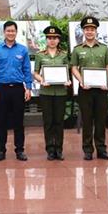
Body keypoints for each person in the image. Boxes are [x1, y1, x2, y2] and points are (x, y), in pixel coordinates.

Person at [0, 20, 32, 161]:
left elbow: (27, 70)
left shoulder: (23, 50)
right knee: (2, 121)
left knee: (19, 121)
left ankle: (20, 150)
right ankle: (1, 150)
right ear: (4, 32)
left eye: (13, 31)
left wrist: (29, 87)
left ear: (16, 32)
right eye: (8, 31)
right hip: (2, 89)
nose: (10, 33)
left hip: (18, 88)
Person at [71, 16, 108, 160]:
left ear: (96, 31)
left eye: (92, 29)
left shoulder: (104, 48)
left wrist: (106, 80)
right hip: (85, 89)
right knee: (87, 120)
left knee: (101, 120)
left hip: (101, 89)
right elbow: (74, 68)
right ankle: (88, 150)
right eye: (87, 29)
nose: (90, 32)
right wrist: (81, 80)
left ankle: (101, 149)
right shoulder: (77, 50)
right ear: (83, 31)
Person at [33, 25, 71, 161]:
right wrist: (41, 80)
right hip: (46, 92)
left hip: (60, 92)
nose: (52, 40)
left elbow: (68, 71)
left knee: (59, 122)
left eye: (54, 38)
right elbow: (35, 73)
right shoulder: (40, 55)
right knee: (48, 122)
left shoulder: (64, 55)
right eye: (49, 38)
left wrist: (67, 80)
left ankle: (59, 150)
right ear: (46, 39)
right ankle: (50, 149)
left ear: (59, 40)